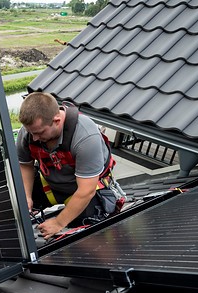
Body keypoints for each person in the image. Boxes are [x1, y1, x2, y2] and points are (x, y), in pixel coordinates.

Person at [16, 92, 120, 240]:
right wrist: (26, 196)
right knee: (14, 203)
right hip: (51, 185)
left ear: (57, 121)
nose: (35, 138)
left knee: (85, 234)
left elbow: (86, 190)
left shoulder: (85, 136)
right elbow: (25, 165)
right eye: (31, 133)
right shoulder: (30, 132)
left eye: (39, 133)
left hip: (84, 190)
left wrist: (58, 222)